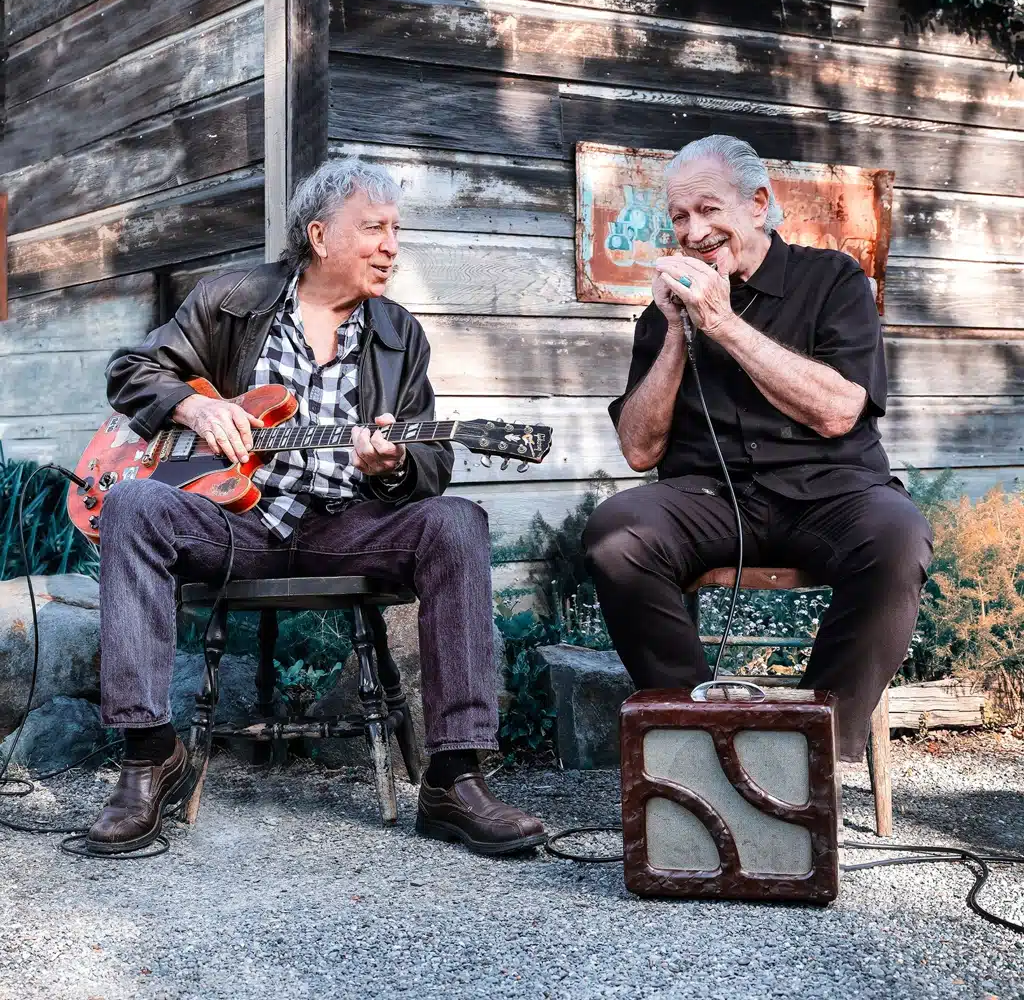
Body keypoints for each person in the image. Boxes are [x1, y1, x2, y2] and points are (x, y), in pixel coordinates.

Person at [87, 158, 545, 856]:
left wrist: (392, 467)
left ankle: (455, 777)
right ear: (320, 235)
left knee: (456, 522)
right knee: (132, 504)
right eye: (374, 229)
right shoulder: (232, 298)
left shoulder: (399, 335)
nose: (391, 244)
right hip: (235, 520)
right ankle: (150, 756)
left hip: (346, 524)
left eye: (396, 230)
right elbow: (131, 372)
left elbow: (435, 464)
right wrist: (196, 405)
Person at [583, 135, 932, 762]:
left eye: (709, 210)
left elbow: (838, 411)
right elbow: (639, 451)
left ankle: (813, 750)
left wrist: (723, 324)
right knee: (617, 532)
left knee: (897, 538)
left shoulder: (832, 281)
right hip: (711, 498)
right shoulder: (664, 314)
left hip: (831, 492)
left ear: (759, 203)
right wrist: (676, 334)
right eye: (680, 218)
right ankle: (699, 737)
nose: (693, 232)